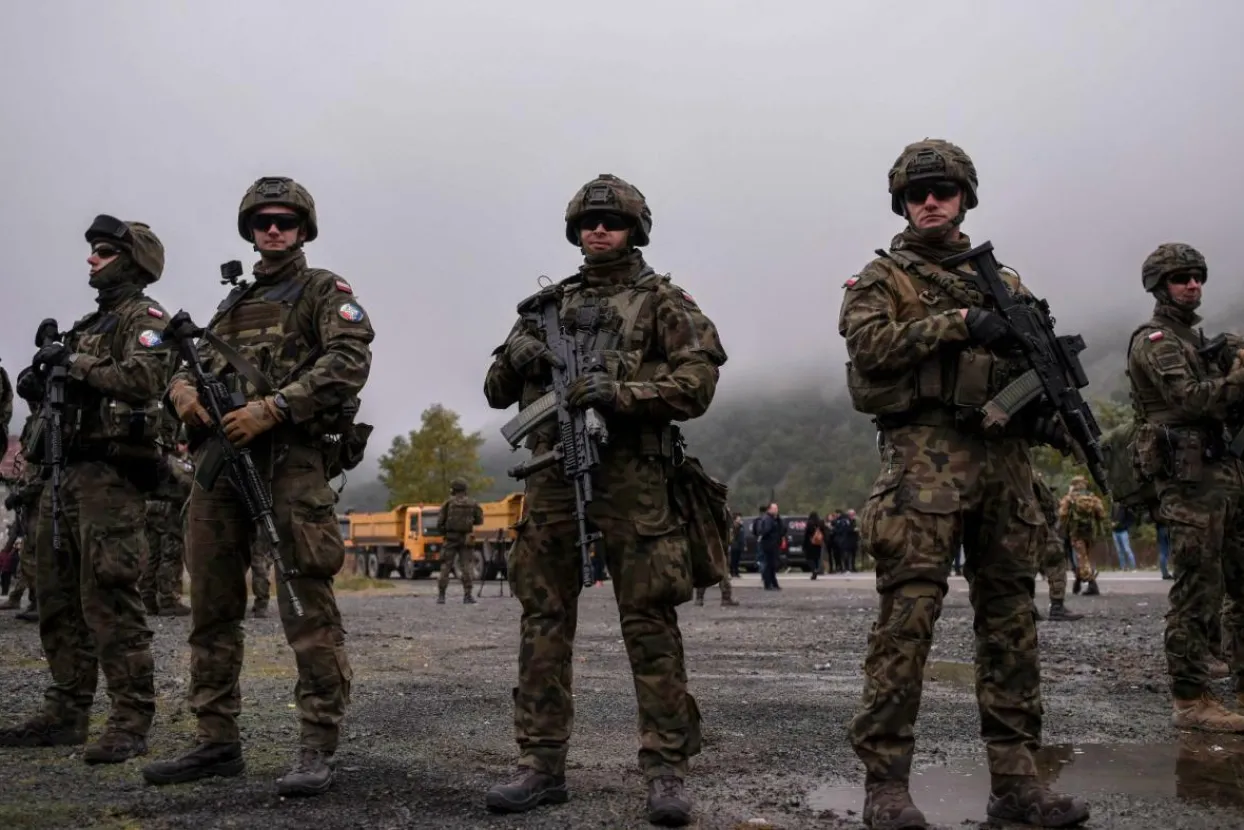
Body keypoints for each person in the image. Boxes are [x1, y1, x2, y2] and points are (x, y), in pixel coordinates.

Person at [838, 138, 1088, 827]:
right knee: (906, 627)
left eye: (942, 191)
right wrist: (959, 323)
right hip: (924, 473)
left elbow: (1033, 385)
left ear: (964, 198)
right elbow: (868, 348)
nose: (929, 202)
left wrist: (1066, 423)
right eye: (917, 194)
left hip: (1006, 476)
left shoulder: (1006, 283)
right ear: (902, 203)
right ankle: (886, 785)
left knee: (1011, 630)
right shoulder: (883, 277)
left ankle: (1016, 783)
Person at [482, 173, 726, 825]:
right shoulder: (543, 308)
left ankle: (666, 769)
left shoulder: (662, 301)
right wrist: (522, 355)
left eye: (612, 221)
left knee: (648, 623)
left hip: (637, 481)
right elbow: (494, 390)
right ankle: (540, 762)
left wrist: (624, 396)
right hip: (553, 479)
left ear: (634, 230)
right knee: (543, 620)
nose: (599, 231)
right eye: (589, 223)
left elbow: (698, 383)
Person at [144, 176, 374, 795]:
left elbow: (349, 360)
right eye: (263, 221)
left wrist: (273, 408)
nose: (274, 230)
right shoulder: (230, 304)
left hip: (290, 462)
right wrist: (183, 395)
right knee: (213, 607)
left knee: (307, 609)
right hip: (221, 465)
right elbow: (180, 371)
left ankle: (316, 746)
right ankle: (216, 742)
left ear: (304, 228)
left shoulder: (324, 289)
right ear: (250, 228)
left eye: (286, 221)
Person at [0, 216, 170, 764]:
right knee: (56, 599)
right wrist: (38, 379)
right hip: (60, 475)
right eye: (93, 251)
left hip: (108, 478)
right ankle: (66, 712)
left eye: (102, 251)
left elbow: (145, 379)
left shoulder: (144, 318)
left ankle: (129, 719)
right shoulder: (87, 324)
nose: (91, 260)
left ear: (132, 260)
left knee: (110, 597)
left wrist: (72, 361)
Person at [1127, 241, 1244, 732]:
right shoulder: (1156, 341)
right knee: (1198, 587)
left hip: (1224, 474)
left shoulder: (1198, 342)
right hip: (1188, 480)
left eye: (1197, 276)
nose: (1192, 284)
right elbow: (1191, 399)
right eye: (1180, 278)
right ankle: (1191, 698)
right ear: (1159, 286)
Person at [141, 434, 193, 617]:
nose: (183, 447)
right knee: (170, 555)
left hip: (149, 507)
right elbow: (187, 481)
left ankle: (147, 598)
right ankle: (168, 599)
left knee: (152, 555)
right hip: (168, 509)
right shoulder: (173, 460)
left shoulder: (153, 456)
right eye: (182, 443)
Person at [1033, 477, 1082, 621]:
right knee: (1055, 558)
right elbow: (1048, 503)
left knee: (1022, 567)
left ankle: (1025, 607)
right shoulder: (1027, 472)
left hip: (1007, 532)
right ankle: (1057, 606)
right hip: (1036, 525)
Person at [437, 478, 483, 604]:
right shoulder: (473, 503)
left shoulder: (448, 503)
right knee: (467, 567)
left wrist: (445, 533)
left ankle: (442, 596)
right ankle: (467, 596)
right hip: (466, 539)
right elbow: (479, 521)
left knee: (445, 566)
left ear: (453, 489)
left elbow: (439, 522)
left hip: (450, 538)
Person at [1059, 477, 1105, 597]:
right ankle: (1078, 581)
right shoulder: (1092, 497)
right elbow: (1101, 513)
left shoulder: (1070, 498)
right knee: (1085, 558)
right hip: (1090, 532)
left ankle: (1092, 584)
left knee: (1081, 559)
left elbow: (1062, 514)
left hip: (1076, 533)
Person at [757, 503, 783, 591]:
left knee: (772, 565)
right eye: (774, 508)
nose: (776, 510)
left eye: (777, 508)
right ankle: (768, 584)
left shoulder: (774, 519)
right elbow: (765, 530)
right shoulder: (768, 519)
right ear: (769, 509)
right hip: (769, 545)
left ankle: (774, 583)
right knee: (769, 565)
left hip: (773, 544)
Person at [1111, 502, 1137, 572]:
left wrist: (1124, 525)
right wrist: (1111, 523)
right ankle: (1123, 567)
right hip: (1115, 532)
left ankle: (1133, 567)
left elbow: (1132, 518)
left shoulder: (1125, 507)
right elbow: (1111, 517)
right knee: (1119, 551)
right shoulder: (1113, 506)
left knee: (1127, 549)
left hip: (1123, 532)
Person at [803, 510, 824, 579]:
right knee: (816, 558)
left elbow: (806, 534)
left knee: (809, 558)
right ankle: (817, 569)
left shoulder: (809, 523)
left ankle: (814, 570)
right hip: (818, 543)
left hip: (810, 543)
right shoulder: (820, 523)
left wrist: (804, 544)